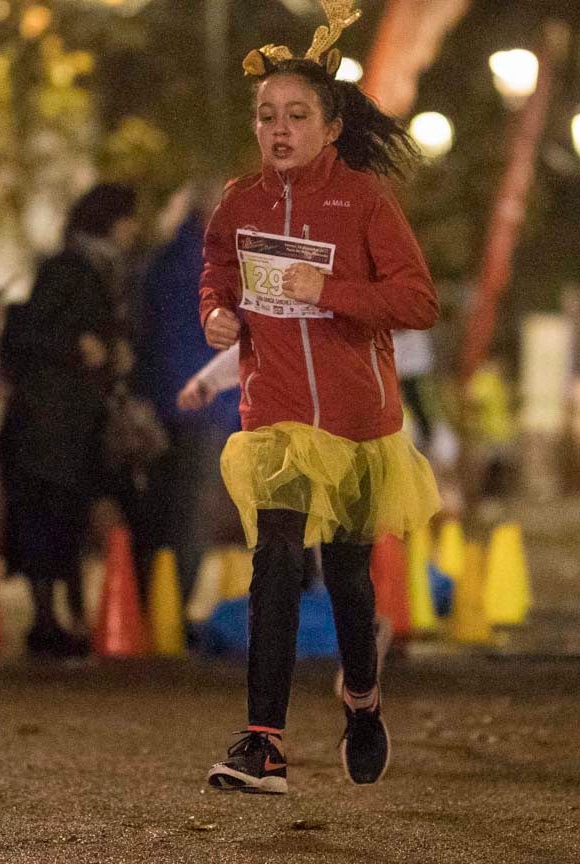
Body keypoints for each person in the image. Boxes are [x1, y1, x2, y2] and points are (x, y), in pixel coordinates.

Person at [198, 7, 440, 794]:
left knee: (347, 577)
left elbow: (417, 301)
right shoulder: (239, 202)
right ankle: (261, 742)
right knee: (274, 558)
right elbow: (218, 275)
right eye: (267, 116)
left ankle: (362, 700)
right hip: (274, 417)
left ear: (332, 127)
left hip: (356, 423)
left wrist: (328, 291)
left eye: (297, 115)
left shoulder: (364, 201)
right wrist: (216, 314)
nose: (279, 129)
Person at [0, 183, 141, 658]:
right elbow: (26, 334)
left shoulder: (100, 271)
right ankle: (47, 621)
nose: (134, 229)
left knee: (69, 518)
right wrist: (79, 346)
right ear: (110, 221)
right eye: (129, 218)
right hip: (48, 423)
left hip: (75, 421)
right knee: (46, 519)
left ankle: (68, 618)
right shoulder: (68, 270)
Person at [137, 187, 243, 602]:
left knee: (164, 511)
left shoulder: (166, 262)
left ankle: (156, 604)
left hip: (168, 403)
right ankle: (171, 610)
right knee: (190, 516)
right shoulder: (210, 269)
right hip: (202, 407)